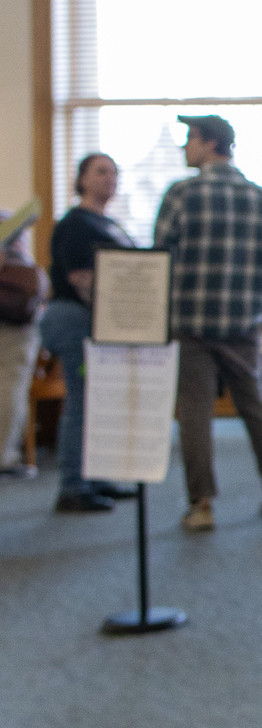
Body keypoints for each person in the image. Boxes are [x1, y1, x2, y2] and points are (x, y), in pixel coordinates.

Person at [153, 115, 262, 531]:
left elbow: (161, 260)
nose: (184, 148)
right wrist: (254, 309)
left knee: (195, 411)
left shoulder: (181, 195)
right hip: (243, 323)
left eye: (190, 139)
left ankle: (201, 505)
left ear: (210, 143)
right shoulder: (261, 197)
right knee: (254, 405)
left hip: (190, 323)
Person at [39, 152, 136, 512]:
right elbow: (82, 279)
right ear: (81, 179)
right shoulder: (76, 224)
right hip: (75, 319)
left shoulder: (110, 224)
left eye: (114, 172)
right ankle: (71, 486)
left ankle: (96, 478)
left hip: (103, 322)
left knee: (100, 403)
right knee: (81, 403)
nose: (109, 179)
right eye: (100, 172)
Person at [0, 205, 45, 480]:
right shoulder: (6, 223)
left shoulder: (8, 219)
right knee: (9, 388)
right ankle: (3, 456)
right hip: (11, 322)